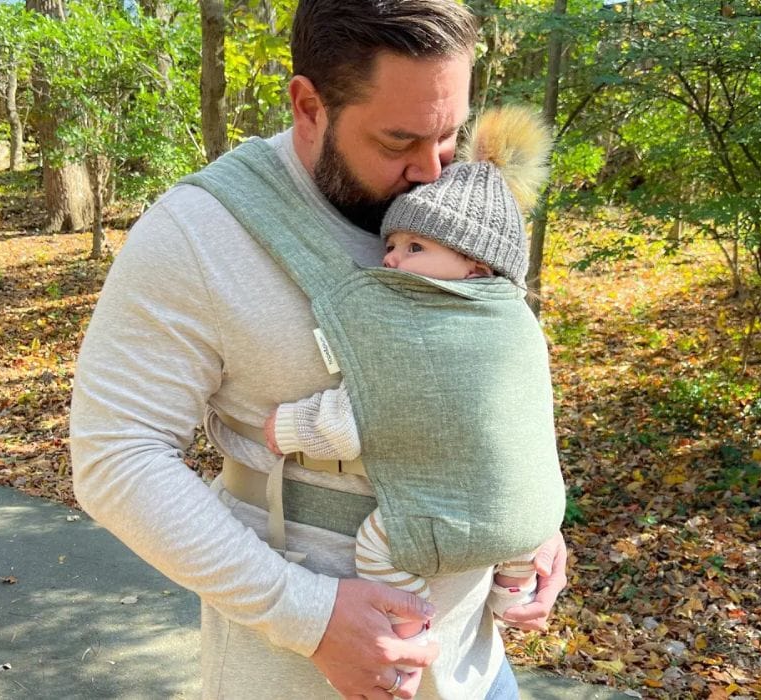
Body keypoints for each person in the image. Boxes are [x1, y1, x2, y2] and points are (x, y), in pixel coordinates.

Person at [69, 2, 568, 698]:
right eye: (397, 142)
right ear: (308, 104)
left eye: (447, 135)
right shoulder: (198, 232)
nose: (431, 172)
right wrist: (306, 616)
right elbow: (113, 454)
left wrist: (527, 521)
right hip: (295, 674)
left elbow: (495, 376)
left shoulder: (460, 204)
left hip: (475, 666)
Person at [260, 106, 562, 642]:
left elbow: (367, 414)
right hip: (533, 515)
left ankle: (407, 625)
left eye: (415, 248)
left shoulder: (420, 328)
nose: (393, 260)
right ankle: (514, 590)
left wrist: (287, 427)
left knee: (381, 542)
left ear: (475, 266)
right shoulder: (517, 320)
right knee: (512, 549)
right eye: (392, 246)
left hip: (450, 520)